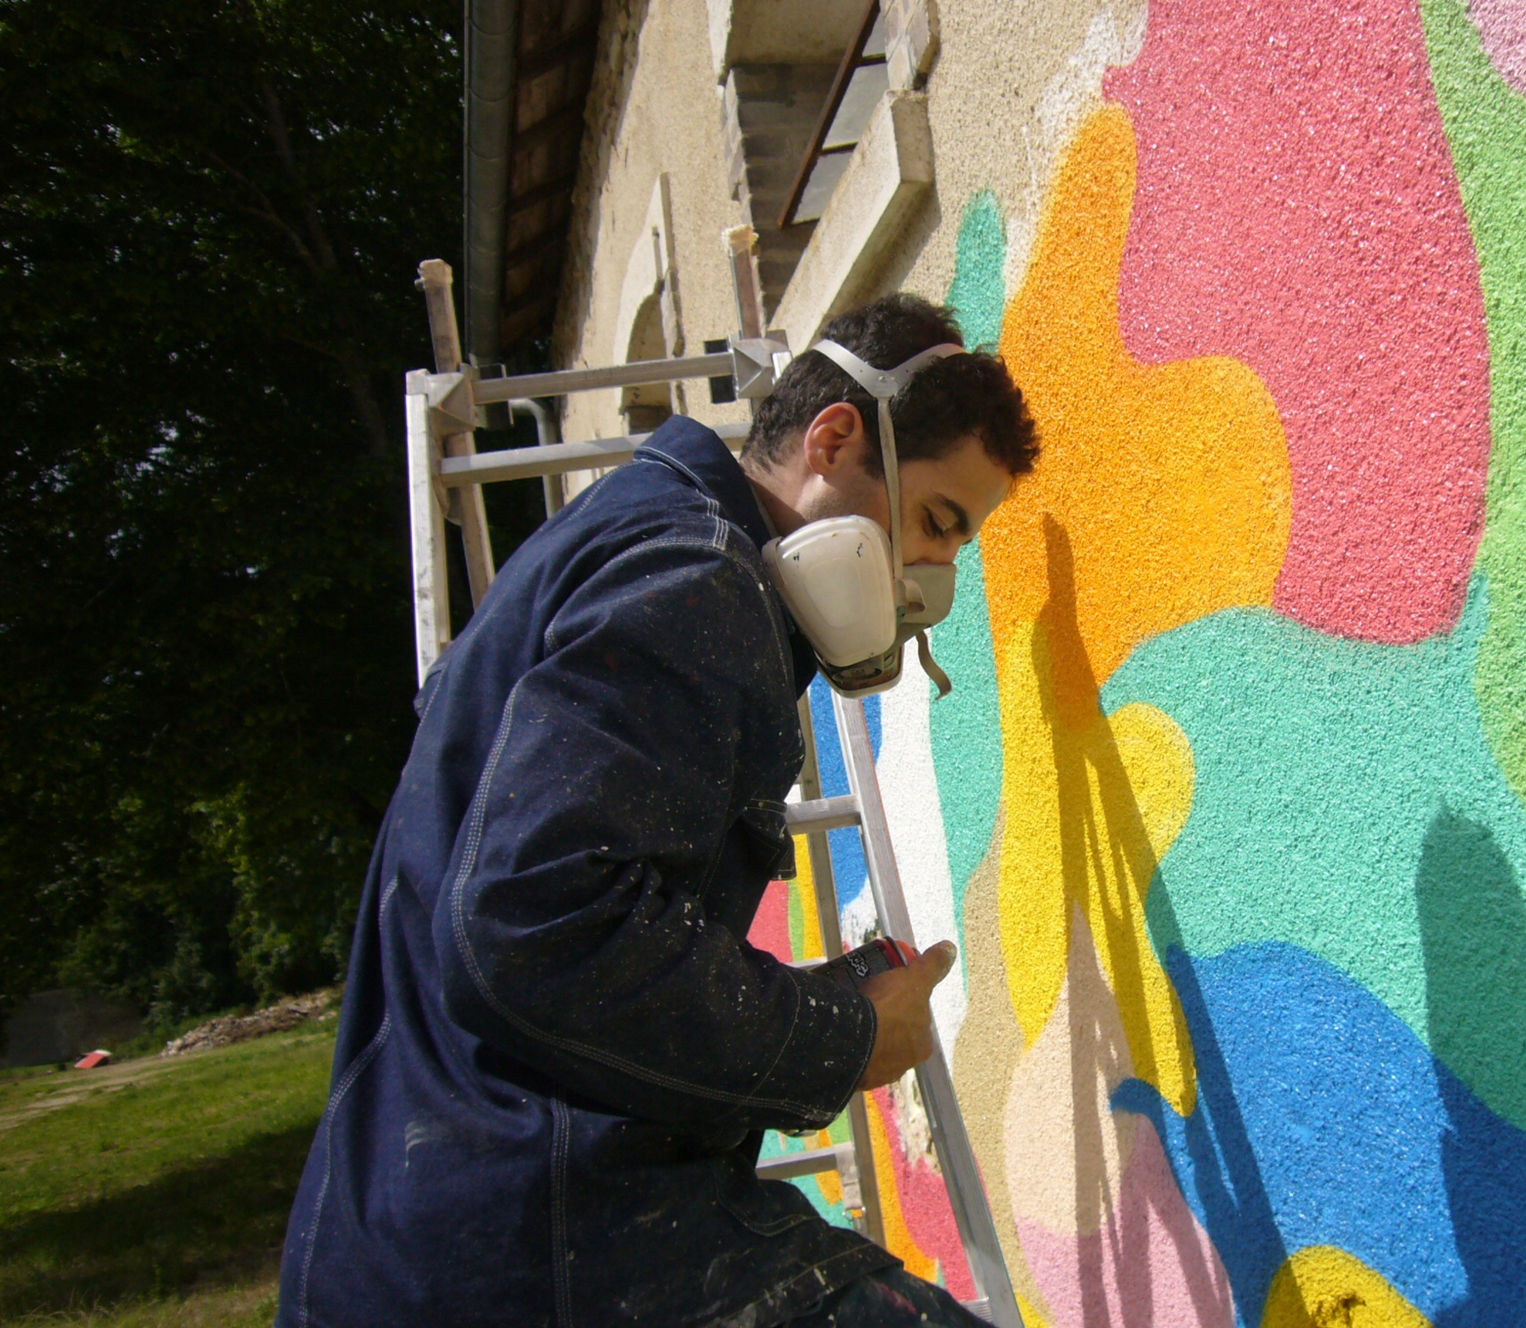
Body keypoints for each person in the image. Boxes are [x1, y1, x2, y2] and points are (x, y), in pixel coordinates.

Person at [275, 293, 1040, 1327]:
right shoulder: (692, 573)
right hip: (535, 1246)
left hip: (443, 1237)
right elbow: (532, 931)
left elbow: (564, 919)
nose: (931, 578)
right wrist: (842, 1034)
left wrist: (814, 1004)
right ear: (833, 436)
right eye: (938, 522)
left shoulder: (640, 533)